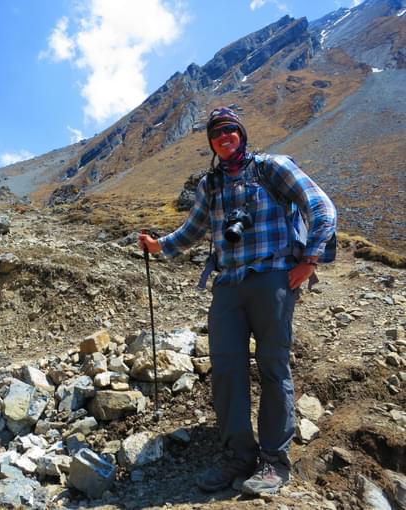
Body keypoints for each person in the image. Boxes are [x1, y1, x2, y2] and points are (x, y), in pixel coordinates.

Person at [138, 107, 336, 496]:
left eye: (230, 130)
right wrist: (157, 245)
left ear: (241, 134)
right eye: (217, 133)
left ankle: (275, 462)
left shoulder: (272, 167)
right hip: (227, 285)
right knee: (227, 371)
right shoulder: (209, 185)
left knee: (273, 367)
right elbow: (192, 230)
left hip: (272, 278)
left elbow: (321, 206)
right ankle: (237, 457)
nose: (224, 136)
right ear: (211, 143)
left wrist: (310, 259)